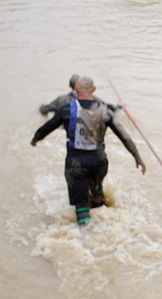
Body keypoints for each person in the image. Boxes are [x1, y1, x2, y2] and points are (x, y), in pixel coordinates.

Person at [31, 76, 146, 226]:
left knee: (81, 205)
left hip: (76, 164)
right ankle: (102, 218)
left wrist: (35, 139)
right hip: (99, 162)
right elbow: (124, 135)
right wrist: (138, 158)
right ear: (94, 89)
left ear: (75, 90)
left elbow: (48, 127)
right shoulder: (104, 110)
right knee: (97, 190)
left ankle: (86, 237)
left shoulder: (67, 109)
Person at [40, 74, 120, 115]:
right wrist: (119, 107)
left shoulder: (60, 99)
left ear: (69, 86)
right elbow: (108, 107)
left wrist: (43, 106)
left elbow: (43, 110)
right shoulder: (91, 99)